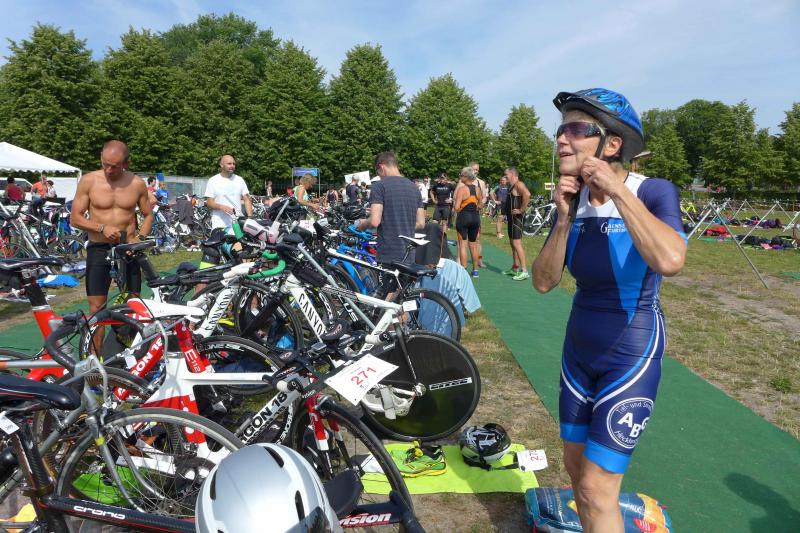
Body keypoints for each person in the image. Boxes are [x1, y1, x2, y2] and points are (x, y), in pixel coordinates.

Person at [532, 88, 686, 533]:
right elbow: (543, 281)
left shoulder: (652, 191)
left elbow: (670, 260)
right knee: (577, 475)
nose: (562, 139)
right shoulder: (572, 199)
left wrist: (617, 190)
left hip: (630, 353)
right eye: (561, 130)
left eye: (576, 129)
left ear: (613, 144)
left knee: (597, 489)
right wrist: (563, 217)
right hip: (578, 352)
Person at [69, 140, 154, 323]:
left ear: (126, 163)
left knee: (133, 304)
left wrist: (139, 238)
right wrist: (101, 227)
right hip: (99, 248)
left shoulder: (136, 183)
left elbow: (148, 215)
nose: (109, 170)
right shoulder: (89, 181)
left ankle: (129, 341)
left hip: (127, 250)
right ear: (101, 157)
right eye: (105, 164)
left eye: (114, 166)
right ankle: (96, 343)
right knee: (96, 309)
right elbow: (75, 218)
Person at [355, 151, 425, 265]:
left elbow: (374, 221)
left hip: (388, 254)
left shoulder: (379, 186)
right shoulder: (414, 187)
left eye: (377, 172)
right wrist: (401, 225)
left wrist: (362, 224)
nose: (379, 176)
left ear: (381, 167)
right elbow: (421, 223)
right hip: (409, 254)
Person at [202, 154, 253, 268]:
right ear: (221, 165)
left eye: (234, 163)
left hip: (237, 225)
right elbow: (209, 202)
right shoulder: (213, 180)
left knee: (244, 255)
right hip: (220, 226)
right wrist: (221, 207)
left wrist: (250, 218)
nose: (232, 166)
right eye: (229, 163)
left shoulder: (239, 180)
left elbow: (246, 198)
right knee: (232, 255)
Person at [453, 166, 483, 276]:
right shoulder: (477, 189)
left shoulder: (462, 189)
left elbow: (456, 207)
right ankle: (475, 271)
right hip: (475, 218)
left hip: (464, 218)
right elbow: (481, 204)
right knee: (473, 245)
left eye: (461, 175)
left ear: (466, 176)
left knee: (462, 245)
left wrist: (461, 208)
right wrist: (474, 207)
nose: (460, 177)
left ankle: (464, 270)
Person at [503, 167, 531, 280]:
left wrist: (521, 210)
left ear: (512, 174)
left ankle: (524, 271)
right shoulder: (512, 186)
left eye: (506, 175)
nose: (505, 177)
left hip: (517, 219)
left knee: (516, 243)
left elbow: (527, 194)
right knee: (512, 243)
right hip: (511, 218)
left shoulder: (519, 184)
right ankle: (515, 267)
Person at [470, 161, 489, 267]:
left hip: (475, 212)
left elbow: (485, 197)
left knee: (477, 238)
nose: (476, 171)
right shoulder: (463, 180)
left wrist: (481, 204)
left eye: (477, 170)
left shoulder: (480, 182)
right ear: (469, 169)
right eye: (474, 169)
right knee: (462, 239)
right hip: (464, 212)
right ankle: (459, 260)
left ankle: (479, 259)